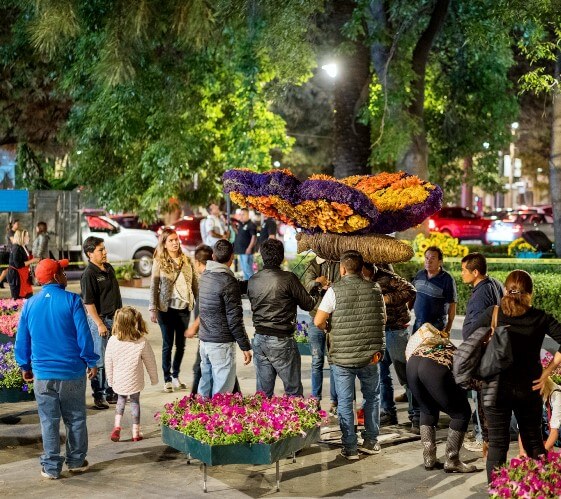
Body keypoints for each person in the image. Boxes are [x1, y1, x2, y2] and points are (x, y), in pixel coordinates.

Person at [466, 270, 561, 482]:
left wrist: (490, 338)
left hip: (496, 387)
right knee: (534, 442)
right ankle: (540, 491)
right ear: (531, 292)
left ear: (506, 290)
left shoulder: (495, 313)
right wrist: (547, 372)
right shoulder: (540, 317)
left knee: (498, 445)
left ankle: (497, 493)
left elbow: (469, 336)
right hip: (529, 387)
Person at [14, 258, 99, 479]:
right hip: (72, 372)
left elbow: (22, 339)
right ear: (55, 277)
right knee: (76, 418)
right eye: (62, 271)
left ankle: (51, 468)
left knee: (48, 421)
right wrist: (91, 361)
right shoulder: (72, 300)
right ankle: (76, 462)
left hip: (43, 374)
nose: (64, 274)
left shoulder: (30, 304)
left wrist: (25, 365)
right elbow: (84, 335)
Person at [314, 250, 386, 460]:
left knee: (345, 401)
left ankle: (350, 447)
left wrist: (330, 328)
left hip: (342, 358)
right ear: (362, 267)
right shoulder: (375, 288)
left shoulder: (334, 290)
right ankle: (371, 442)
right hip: (370, 356)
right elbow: (383, 317)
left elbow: (318, 321)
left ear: (342, 268)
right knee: (372, 397)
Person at [248, 238, 317, 397]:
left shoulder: (253, 280)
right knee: (293, 392)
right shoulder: (288, 278)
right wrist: (316, 290)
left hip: (259, 339)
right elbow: (308, 304)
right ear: (282, 256)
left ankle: (263, 421)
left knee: (263, 395)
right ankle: (295, 421)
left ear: (262, 256)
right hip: (282, 340)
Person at [406, 329, 477, 473]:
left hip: (412, 363)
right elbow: (466, 382)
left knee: (427, 409)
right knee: (461, 413)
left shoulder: (438, 344)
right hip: (434, 367)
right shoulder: (465, 355)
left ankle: (429, 458)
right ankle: (452, 460)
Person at [410, 246, 457, 433]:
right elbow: (412, 298)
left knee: (431, 373)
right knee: (414, 370)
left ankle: (433, 414)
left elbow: (452, 307)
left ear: (440, 261)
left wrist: (448, 329)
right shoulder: (419, 275)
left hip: (436, 328)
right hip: (417, 328)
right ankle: (417, 415)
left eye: (432, 258)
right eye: (426, 257)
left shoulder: (447, 280)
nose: (428, 261)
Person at [460, 252, 503, 454]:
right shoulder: (494, 283)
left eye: (463, 270)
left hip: (483, 353)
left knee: (481, 396)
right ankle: (485, 436)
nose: (461, 274)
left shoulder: (480, 295)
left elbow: (474, 329)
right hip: (493, 351)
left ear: (475, 272)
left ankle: (481, 437)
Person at [362, 262, 416, 426]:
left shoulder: (386, 277)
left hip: (396, 331)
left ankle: (416, 415)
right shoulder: (363, 281)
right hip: (379, 331)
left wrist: (386, 299)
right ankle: (388, 412)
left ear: (367, 267)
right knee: (382, 375)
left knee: (406, 375)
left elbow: (411, 290)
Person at [197, 239, 252, 396]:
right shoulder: (228, 282)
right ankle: (215, 420)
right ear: (232, 258)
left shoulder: (205, 276)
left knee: (205, 388)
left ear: (213, 256)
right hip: (221, 344)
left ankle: (199, 419)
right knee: (221, 396)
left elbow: (227, 287)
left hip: (205, 342)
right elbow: (234, 320)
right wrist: (245, 346)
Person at [149, 228, 198, 393]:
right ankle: (167, 379)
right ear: (164, 243)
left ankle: (176, 375)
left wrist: (200, 303)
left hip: (184, 307)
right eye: (171, 240)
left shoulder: (187, 260)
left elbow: (195, 283)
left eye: (176, 239)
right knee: (167, 344)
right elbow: (154, 286)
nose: (175, 243)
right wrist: (152, 308)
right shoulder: (159, 261)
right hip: (166, 309)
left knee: (181, 344)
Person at [105, 306, 159, 443]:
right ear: (135, 321)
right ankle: (136, 433)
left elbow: (108, 362)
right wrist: (154, 378)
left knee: (120, 401)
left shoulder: (112, 341)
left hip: (119, 380)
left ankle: (117, 426)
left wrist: (110, 381)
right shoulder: (141, 341)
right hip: (135, 380)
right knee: (135, 403)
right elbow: (150, 361)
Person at [81, 236, 122, 410]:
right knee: (99, 360)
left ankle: (111, 391)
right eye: (100, 250)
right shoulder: (89, 274)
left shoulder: (108, 268)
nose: (104, 252)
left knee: (113, 358)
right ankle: (98, 395)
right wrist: (99, 323)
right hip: (101, 321)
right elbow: (88, 303)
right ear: (90, 254)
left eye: (104, 249)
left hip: (115, 320)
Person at [303, 256, 340, 414]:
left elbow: (343, 284)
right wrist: (319, 282)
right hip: (316, 316)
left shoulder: (341, 263)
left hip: (335, 318)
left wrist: (330, 286)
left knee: (334, 362)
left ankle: (335, 402)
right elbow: (307, 285)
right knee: (316, 360)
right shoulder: (313, 264)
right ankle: (315, 400)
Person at [7, 229, 39, 299]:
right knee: (19, 299)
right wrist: (33, 260)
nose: (29, 238)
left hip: (24, 276)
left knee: (29, 296)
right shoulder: (16, 248)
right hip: (17, 276)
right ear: (21, 237)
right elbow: (18, 264)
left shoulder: (23, 247)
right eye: (27, 236)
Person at [233, 208, 257, 280]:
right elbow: (239, 233)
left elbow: (254, 237)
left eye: (243, 214)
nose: (241, 216)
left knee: (248, 269)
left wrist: (249, 248)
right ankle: (247, 285)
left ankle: (254, 284)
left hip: (246, 251)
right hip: (241, 250)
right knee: (244, 270)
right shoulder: (241, 224)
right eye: (241, 214)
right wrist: (233, 227)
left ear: (248, 215)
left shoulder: (251, 225)